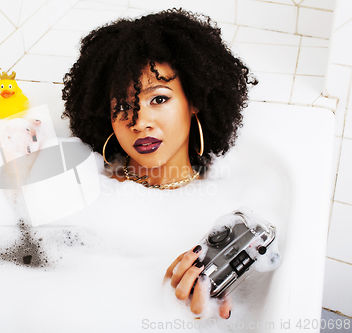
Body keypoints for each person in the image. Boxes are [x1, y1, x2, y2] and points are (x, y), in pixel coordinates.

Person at [61, 8, 258, 319]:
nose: (139, 123)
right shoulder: (84, 186)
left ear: (194, 100)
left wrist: (194, 306)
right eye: (123, 105)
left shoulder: (226, 209)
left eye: (159, 98)